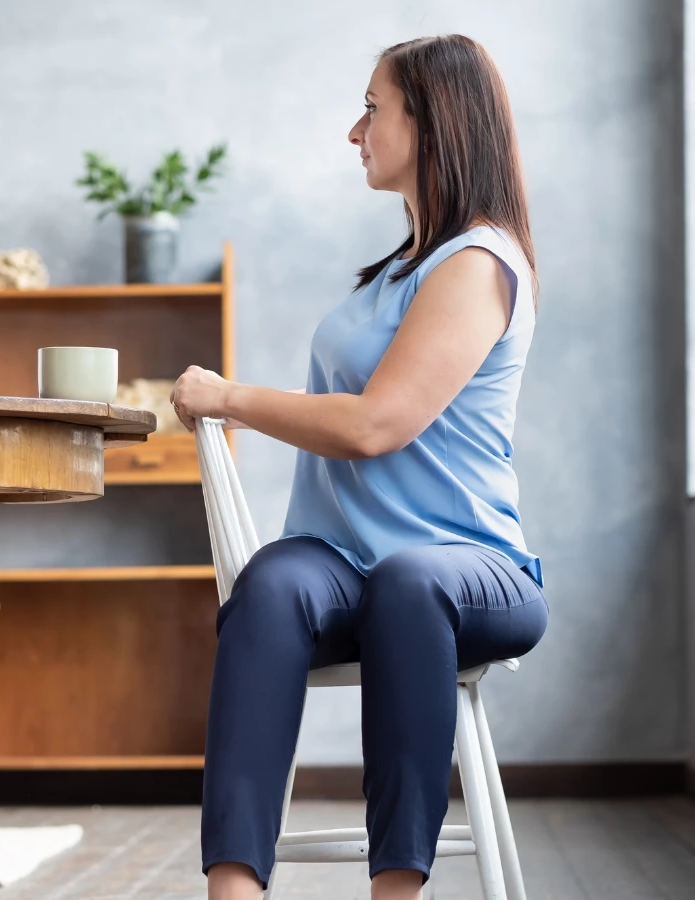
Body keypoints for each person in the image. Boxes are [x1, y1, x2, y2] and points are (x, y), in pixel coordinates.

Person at [169, 34, 550, 900]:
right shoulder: (394, 272)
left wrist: (230, 398)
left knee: (410, 583)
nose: (355, 130)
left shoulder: (479, 262)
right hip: (342, 562)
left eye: (372, 108)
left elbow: (377, 425)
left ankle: (395, 891)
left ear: (432, 118)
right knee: (266, 585)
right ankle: (232, 890)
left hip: (472, 571)